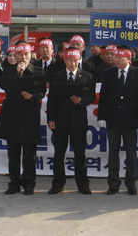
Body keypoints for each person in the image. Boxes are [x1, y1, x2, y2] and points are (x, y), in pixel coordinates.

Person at [0, 42, 44, 195]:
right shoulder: (7, 71)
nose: (23, 57)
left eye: (26, 54)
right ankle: (14, 183)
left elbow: (42, 92)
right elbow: (2, 85)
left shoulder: (38, 71)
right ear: (15, 55)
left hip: (29, 117)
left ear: (31, 55)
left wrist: (32, 97)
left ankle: (29, 184)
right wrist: (16, 73)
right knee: (13, 155)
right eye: (20, 54)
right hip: (12, 117)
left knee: (29, 155)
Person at [97, 46, 138, 195]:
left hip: (130, 118)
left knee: (131, 152)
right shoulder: (109, 73)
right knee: (113, 152)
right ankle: (113, 184)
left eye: (120, 57)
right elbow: (103, 97)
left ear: (128, 59)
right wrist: (101, 117)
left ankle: (131, 183)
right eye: (115, 57)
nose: (116, 60)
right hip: (112, 118)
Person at [47, 48, 95, 195]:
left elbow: (91, 96)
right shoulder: (56, 76)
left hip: (78, 121)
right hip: (60, 121)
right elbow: (52, 99)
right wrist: (51, 118)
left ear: (79, 60)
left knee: (80, 154)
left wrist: (81, 101)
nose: (73, 63)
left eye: (76, 60)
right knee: (59, 154)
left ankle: (83, 184)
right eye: (70, 60)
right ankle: (57, 184)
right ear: (65, 60)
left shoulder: (86, 76)